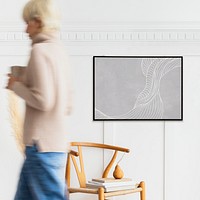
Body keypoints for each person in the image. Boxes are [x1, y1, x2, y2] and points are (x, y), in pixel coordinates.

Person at [6, 0, 72, 199]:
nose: (26, 29)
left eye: (28, 22)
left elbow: (44, 100)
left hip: (41, 146)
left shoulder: (39, 51)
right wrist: (22, 76)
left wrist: (15, 86)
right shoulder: (59, 51)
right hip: (56, 145)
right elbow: (67, 103)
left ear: (39, 21)